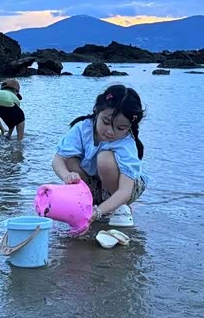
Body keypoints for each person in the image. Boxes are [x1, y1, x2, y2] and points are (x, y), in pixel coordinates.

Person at [51, 84, 146, 227]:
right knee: (70, 160)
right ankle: (90, 202)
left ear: (130, 126)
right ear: (97, 111)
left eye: (120, 128)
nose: (110, 132)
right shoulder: (82, 128)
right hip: (96, 183)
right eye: (106, 122)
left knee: (105, 158)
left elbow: (125, 191)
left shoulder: (126, 143)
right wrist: (67, 176)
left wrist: (99, 212)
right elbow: (58, 160)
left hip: (128, 187)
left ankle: (119, 206)